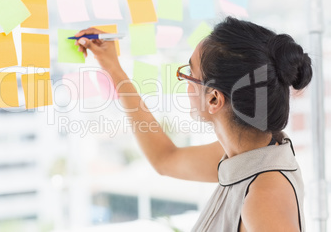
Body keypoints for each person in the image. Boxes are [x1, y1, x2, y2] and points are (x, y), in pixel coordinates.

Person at [74, 16, 312, 232]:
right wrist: (113, 67)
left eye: (189, 74)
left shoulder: (264, 195)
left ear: (213, 98)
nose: (185, 83)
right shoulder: (247, 155)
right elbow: (165, 158)